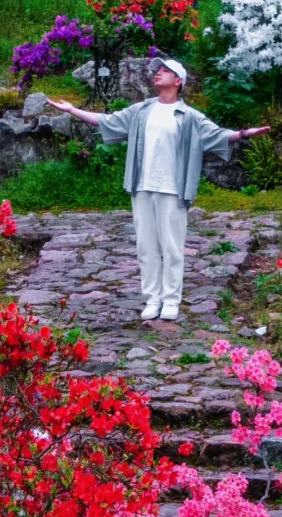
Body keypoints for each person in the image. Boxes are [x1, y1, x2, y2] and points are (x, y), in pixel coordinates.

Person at [47, 57, 270, 320]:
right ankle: (152, 299)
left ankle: (171, 300)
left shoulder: (190, 117)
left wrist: (244, 134)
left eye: (165, 71)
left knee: (172, 247)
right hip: (142, 186)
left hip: (173, 189)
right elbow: (107, 121)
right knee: (146, 247)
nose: (158, 74)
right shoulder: (141, 110)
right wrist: (73, 110)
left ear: (178, 81)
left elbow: (218, 134)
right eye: (157, 70)